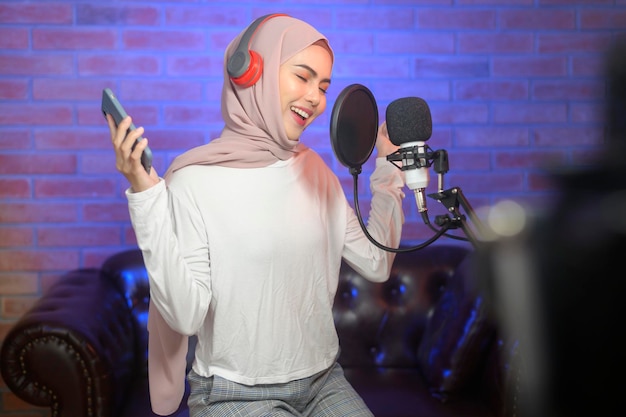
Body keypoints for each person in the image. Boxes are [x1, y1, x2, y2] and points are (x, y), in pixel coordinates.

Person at [107, 14, 406, 417]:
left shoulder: (315, 169)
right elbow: (185, 314)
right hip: (232, 393)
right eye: (302, 76)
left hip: (323, 380)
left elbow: (376, 262)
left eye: (322, 86)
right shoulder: (193, 181)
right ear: (251, 74)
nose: (315, 98)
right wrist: (145, 197)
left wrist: (388, 173)